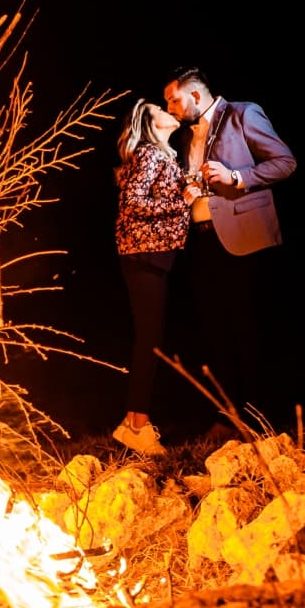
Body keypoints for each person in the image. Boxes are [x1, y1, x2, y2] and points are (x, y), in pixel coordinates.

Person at [161, 65, 297, 427]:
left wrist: (237, 176)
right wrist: (192, 191)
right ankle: (228, 417)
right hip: (203, 240)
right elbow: (205, 182)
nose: (171, 109)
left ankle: (261, 417)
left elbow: (285, 162)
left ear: (194, 94)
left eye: (173, 100)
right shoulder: (188, 137)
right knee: (215, 330)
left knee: (248, 328)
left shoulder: (242, 113)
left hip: (245, 238)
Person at [111, 97, 191, 456]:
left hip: (149, 255)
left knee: (149, 337)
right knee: (149, 340)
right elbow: (133, 202)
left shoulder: (163, 157)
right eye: (160, 109)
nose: (168, 111)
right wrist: (182, 201)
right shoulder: (150, 154)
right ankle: (137, 426)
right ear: (150, 123)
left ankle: (132, 422)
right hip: (144, 253)